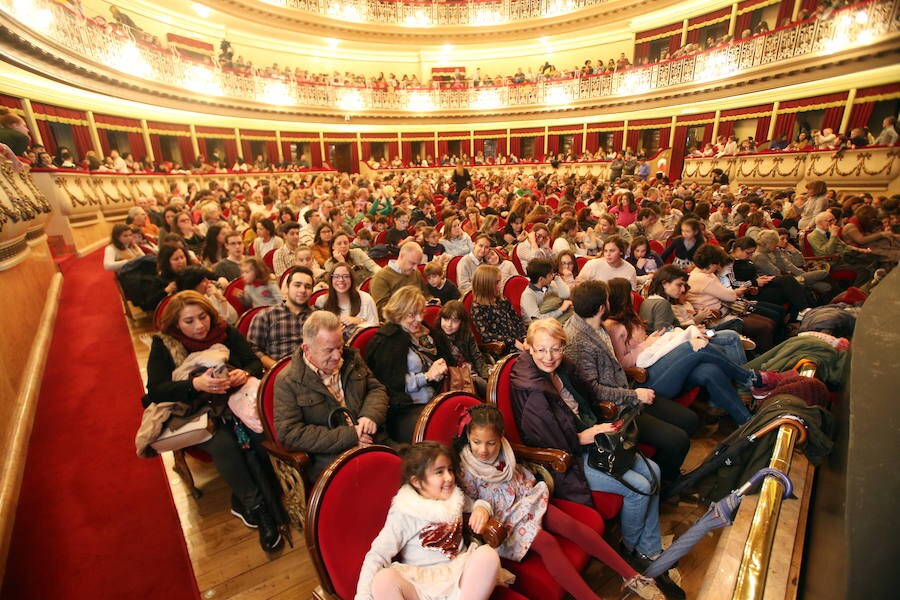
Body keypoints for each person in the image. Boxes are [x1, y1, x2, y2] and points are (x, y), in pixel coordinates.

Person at [509, 319, 684, 599]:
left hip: (593, 440)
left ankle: (647, 547)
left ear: (562, 347)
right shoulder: (531, 391)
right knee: (637, 487)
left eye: (555, 349)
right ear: (529, 348)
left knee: (653, 470)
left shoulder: (562, 368)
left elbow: (588, 397)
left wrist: (600, 426)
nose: (549, 357)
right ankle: (634, 548)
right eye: (541, 350)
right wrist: (585, 436)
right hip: (566, 460)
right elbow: (545, 442)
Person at [455, 405, 664, 600]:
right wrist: (479, 509)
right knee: (548, 543)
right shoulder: (465, 468)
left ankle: (629, 574)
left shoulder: (505, 451)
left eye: (490, 442)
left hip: (527, 498)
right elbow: (465, 502)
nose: (483, 450)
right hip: (505, 518)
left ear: (500, 438)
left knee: (571, 525)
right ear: (468, 437)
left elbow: (518, 476)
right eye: (476, 442)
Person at [143, 291, 283, 552]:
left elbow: (252, 360)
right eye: (189, 321)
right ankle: (257, 507)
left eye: (203, 317)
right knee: (224, 444)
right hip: (195, 411)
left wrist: (244, 372)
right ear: (175, 323)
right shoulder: (165, 344)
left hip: (233, 401)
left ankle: (267, 493)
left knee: (257, 435)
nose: (199, 326)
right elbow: (155, 391)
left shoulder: (224, 331)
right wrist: (195, 383)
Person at [565, 280, 699, 492]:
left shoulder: (595, 324)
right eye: (607, 300)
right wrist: (634, 395)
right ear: (601, 307)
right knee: (679, 440)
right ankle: (665, 487)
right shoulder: (579, 342)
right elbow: (594, 391)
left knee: (690, 420)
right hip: (615, 410)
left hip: (627, 394)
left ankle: (664, 474)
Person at [355, 442, 502, 600]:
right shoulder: (405, 510)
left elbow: (476, 504)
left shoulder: (455, 498)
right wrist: (363, 596)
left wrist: (482, 508)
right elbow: (377, 555)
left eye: (450, 470)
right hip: (421, 586)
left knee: (488, 555)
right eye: (439, 472)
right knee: (383, 580)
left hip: (458, 577)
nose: (449, 477)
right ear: (416, 481)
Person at [273, 311, 389, 480]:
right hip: (333, 460)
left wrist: (370, 416)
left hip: (374, 441)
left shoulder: (350, 359)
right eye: (329, 350)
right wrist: (351, 435)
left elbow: (376, 389)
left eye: (339, 346)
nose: (337, 356)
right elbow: (290, 434)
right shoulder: (288, 381)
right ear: (307, 349)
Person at [365, 287, 447, 443]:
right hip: (404, 409)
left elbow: (443, 355)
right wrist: (427, 376)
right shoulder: (386, 340)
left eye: (421, 312)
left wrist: (441, 364)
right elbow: (389, 384)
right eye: (412, 314)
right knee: (439, 432)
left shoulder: (424, 331)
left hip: (433, 398)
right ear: (398, 312)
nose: (419, 319)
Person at [639, 266, 751, 365]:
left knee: (721, 333)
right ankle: (745, 382)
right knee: (731, 336)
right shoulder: (662, 304)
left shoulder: (648, 301)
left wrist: (692, 328)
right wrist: (692, 331)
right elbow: (664, 336)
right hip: (674, 350)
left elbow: (669, 330)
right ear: (664, 283)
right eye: (679, 285)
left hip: (683, 339)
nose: (683, 289)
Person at [247, 266, 315, 369]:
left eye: (308, 287)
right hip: (278, 372)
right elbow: (253, 350)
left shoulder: (317, 317)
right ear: (287, 287)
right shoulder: (266, 316)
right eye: (297, 285)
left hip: (313, 372)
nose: (302, 290)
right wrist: (277, 367)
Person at [432, 301, 490, 397]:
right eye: (446, 319)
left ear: (461, 322)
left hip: (471, 369)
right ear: (440, 319)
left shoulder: (466, 334)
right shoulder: (436, 336)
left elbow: (476, 357)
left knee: (493, 377)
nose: (449, 324)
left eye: (455, 321)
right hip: (454, 377)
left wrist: (486, 377)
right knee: (477, 382)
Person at [806, 211, 879, 286]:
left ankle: (873, 283)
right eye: (830, 221)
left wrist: (860, 250)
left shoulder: (829, 231)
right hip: (832, 262)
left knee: (872, 258)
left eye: (834, 220)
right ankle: (856, 292)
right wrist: (834, 235)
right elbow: (827, 252)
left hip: (844, 256)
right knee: (863, 270)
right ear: (820, 223)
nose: (833, 223)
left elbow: (844, 246)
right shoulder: (812, 236)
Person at [469, 265, 527, 355]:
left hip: (519, 342)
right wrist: (513, 341)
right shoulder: (478, 307)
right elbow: (486, 336)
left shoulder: (502, 299)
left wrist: (525, 338)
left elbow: (517, 321)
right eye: (497, 283)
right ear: (486, 285)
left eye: (500, 281)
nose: (501, 285)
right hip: (503, 348)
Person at [315, 263, 378, 340]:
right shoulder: (321, 301)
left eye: (345, 276)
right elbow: (317, 332)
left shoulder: (366, 299)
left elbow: (375, 328)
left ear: (351, 279)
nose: (341, 280)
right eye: (336, 276)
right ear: (331, 280)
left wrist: (359, 322)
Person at [369, 242, 429, 315]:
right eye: (412, 263)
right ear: (401, 256)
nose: (415, 268)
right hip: (397, 321)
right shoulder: (380, 278)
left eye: (417, 264)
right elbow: (382, 310)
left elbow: (426, 294)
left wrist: (431, 300)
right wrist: (410, 307)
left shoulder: (416, 273)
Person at [174, 266, 238, 325]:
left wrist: (220, 298)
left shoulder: (210, 294)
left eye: (207, 279)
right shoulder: (185, 305)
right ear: (192, 286)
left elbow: (233, 319)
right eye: (203, 280)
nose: (208, 282)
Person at [521, 257, 572, 323]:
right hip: (539, 327)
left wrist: (557, 278)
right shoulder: (528, 295)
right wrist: (561, 310)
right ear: (541, 279)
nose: (552, 276)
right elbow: (537, 319)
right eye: (550, 274)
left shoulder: (547, 286)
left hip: (554, 320)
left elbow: (566, 294)